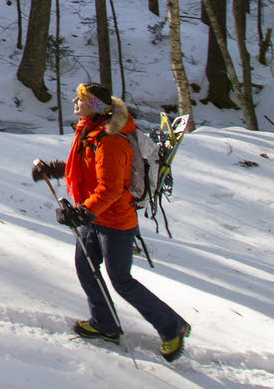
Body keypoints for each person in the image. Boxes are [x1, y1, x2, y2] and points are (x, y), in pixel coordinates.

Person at [33, 80, 191, 362]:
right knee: (85, 267)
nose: (74, 103)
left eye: (80, 99)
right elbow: (82, 167)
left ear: (93, 106)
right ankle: (104, 323)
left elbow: (111, 188)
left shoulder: (112, 140)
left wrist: (83, 213)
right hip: (95, 216)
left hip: (116, 221)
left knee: (121, 280)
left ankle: (172, 327)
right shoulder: (90, 130)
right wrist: (53, 169)